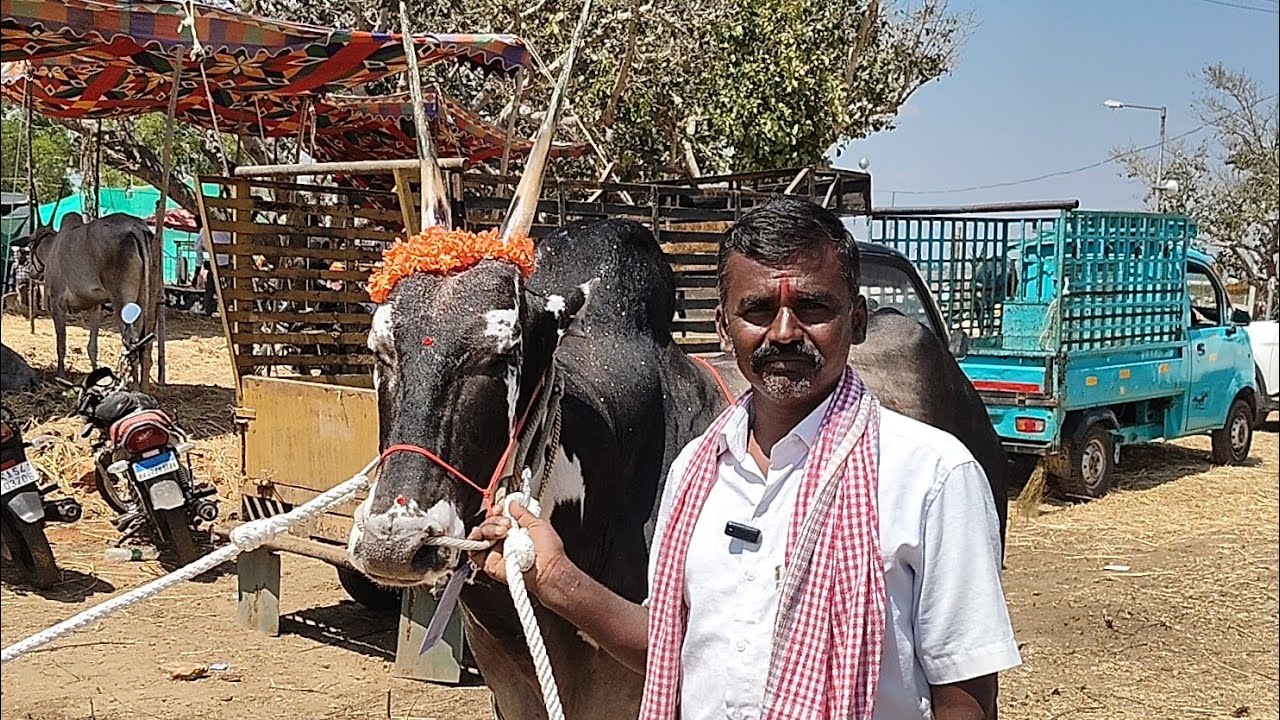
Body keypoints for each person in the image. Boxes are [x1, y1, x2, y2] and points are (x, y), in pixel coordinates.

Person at [469, 197, 1020, 720]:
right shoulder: (694, 472)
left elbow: (964, 692)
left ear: (856, 321)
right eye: (757, 310)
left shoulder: (932, 475)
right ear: (723, 327)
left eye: (812, 307)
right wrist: (557, 577)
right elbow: (672, 652)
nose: (783, 332)